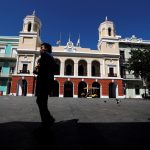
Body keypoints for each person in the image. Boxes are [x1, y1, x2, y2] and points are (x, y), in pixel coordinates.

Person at [34, 42, 56, 129]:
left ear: (45, 48)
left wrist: (37, 71)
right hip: (46, 83)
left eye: (41, 47)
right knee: (42, 102)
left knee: (40, 102)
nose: (40, 49)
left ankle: (47, 121)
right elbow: (49, 70)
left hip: (43, 83)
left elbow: (44, 71)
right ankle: (48, 120)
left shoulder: (45, 56)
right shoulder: (50, 57)